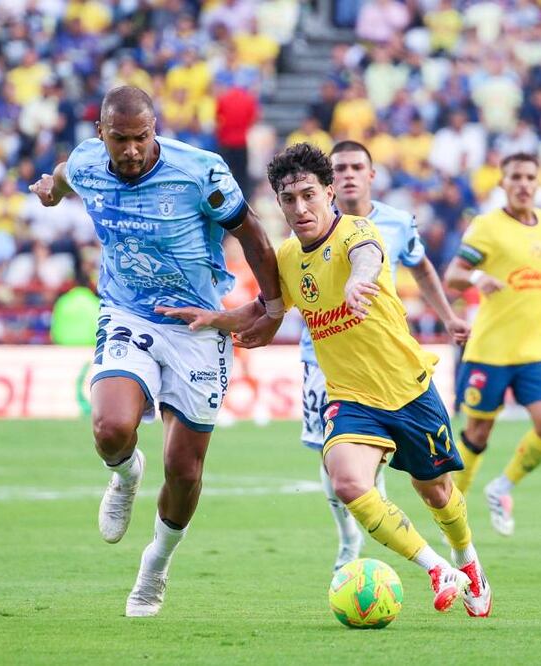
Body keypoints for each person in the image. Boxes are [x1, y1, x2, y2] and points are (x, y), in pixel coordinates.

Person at [159, 143, 492, 618]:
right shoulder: (287, 258)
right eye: (288, 199)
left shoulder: (358, 230)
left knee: (436, 492)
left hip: (408, 390)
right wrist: (214, 318)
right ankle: (438, 568)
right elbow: (266, 309)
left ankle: (467, 559)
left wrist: (359, 280)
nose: (300, 208)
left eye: (309, 195)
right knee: (348, 482)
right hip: (350, 398)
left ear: (329, 193)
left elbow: (367, 258)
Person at [28, 86, 282, 618]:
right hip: (128, 313)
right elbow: (67, 174)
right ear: (101, 134)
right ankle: (125, 474)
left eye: (141, 138)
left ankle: (154, 567)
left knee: (183, 469)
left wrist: (273, 308)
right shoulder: (88, 162)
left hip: (196, 324)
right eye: (120, 139)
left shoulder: (200, 172)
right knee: (110, 429)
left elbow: (253, 235)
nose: (132, 150)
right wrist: (52, 188)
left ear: (155, 130)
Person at [303, 140, 469, 571]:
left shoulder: (395, 223)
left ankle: (410, 532)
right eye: (340, 168)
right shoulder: (305, 229)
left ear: (372, 175)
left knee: (429, 484)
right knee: (334, 458)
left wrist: (448, 316)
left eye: (357, 167)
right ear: (329, 182)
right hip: (324, 362)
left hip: (389, 364)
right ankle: (350, 538)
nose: (349, 175)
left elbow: (421, 267)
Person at [443, 152, 541, 537]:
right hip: (491, 350)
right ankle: (452, 513)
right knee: (477, 434)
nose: (523, 184)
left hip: (534, 348)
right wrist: (478, 278)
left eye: (529, 177)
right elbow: (453, 274)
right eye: (515, 177)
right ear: (503, 183)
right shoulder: (486, 227)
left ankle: (502, 487)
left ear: (538, 182)